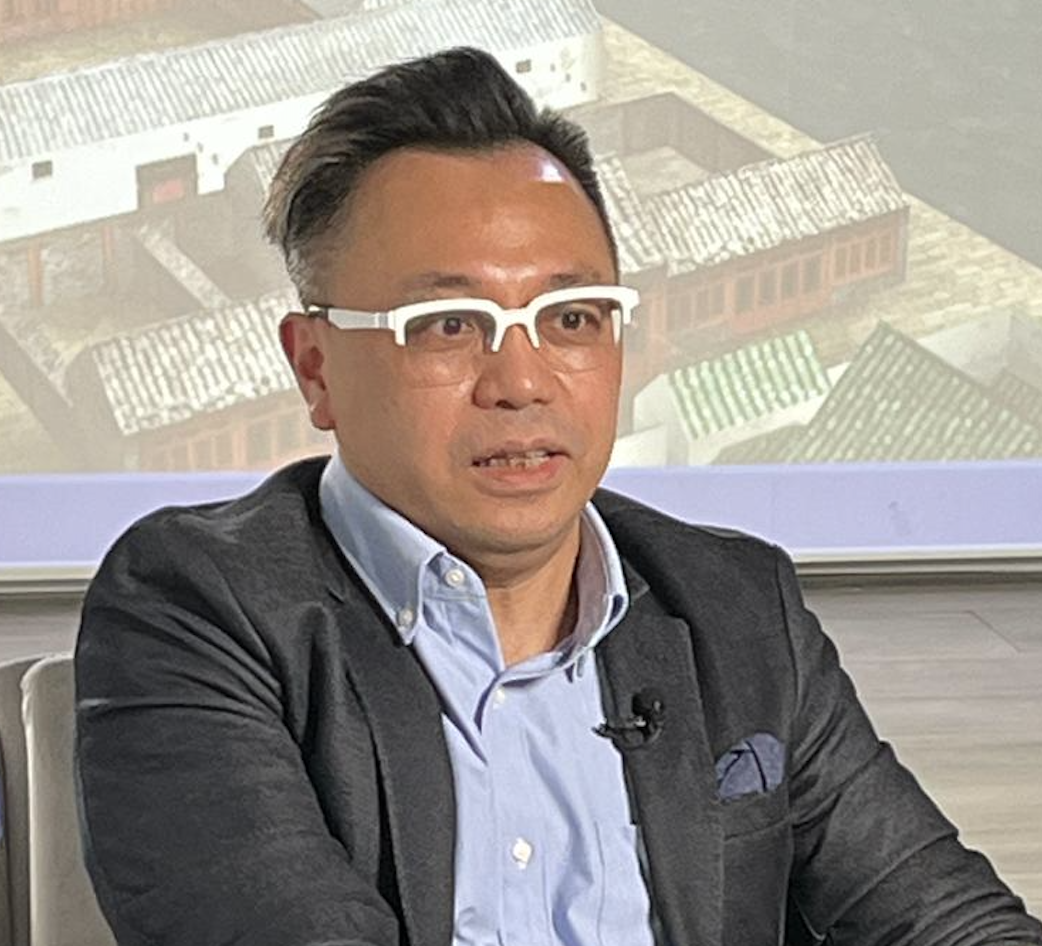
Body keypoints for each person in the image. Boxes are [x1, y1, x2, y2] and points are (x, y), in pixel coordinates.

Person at [75, 47, 1042, 946]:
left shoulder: (738, 605)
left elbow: (952, 922)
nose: (522, 382)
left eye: (572, 317)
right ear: (315, 367)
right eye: (448, 324)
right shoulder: (197, 606)